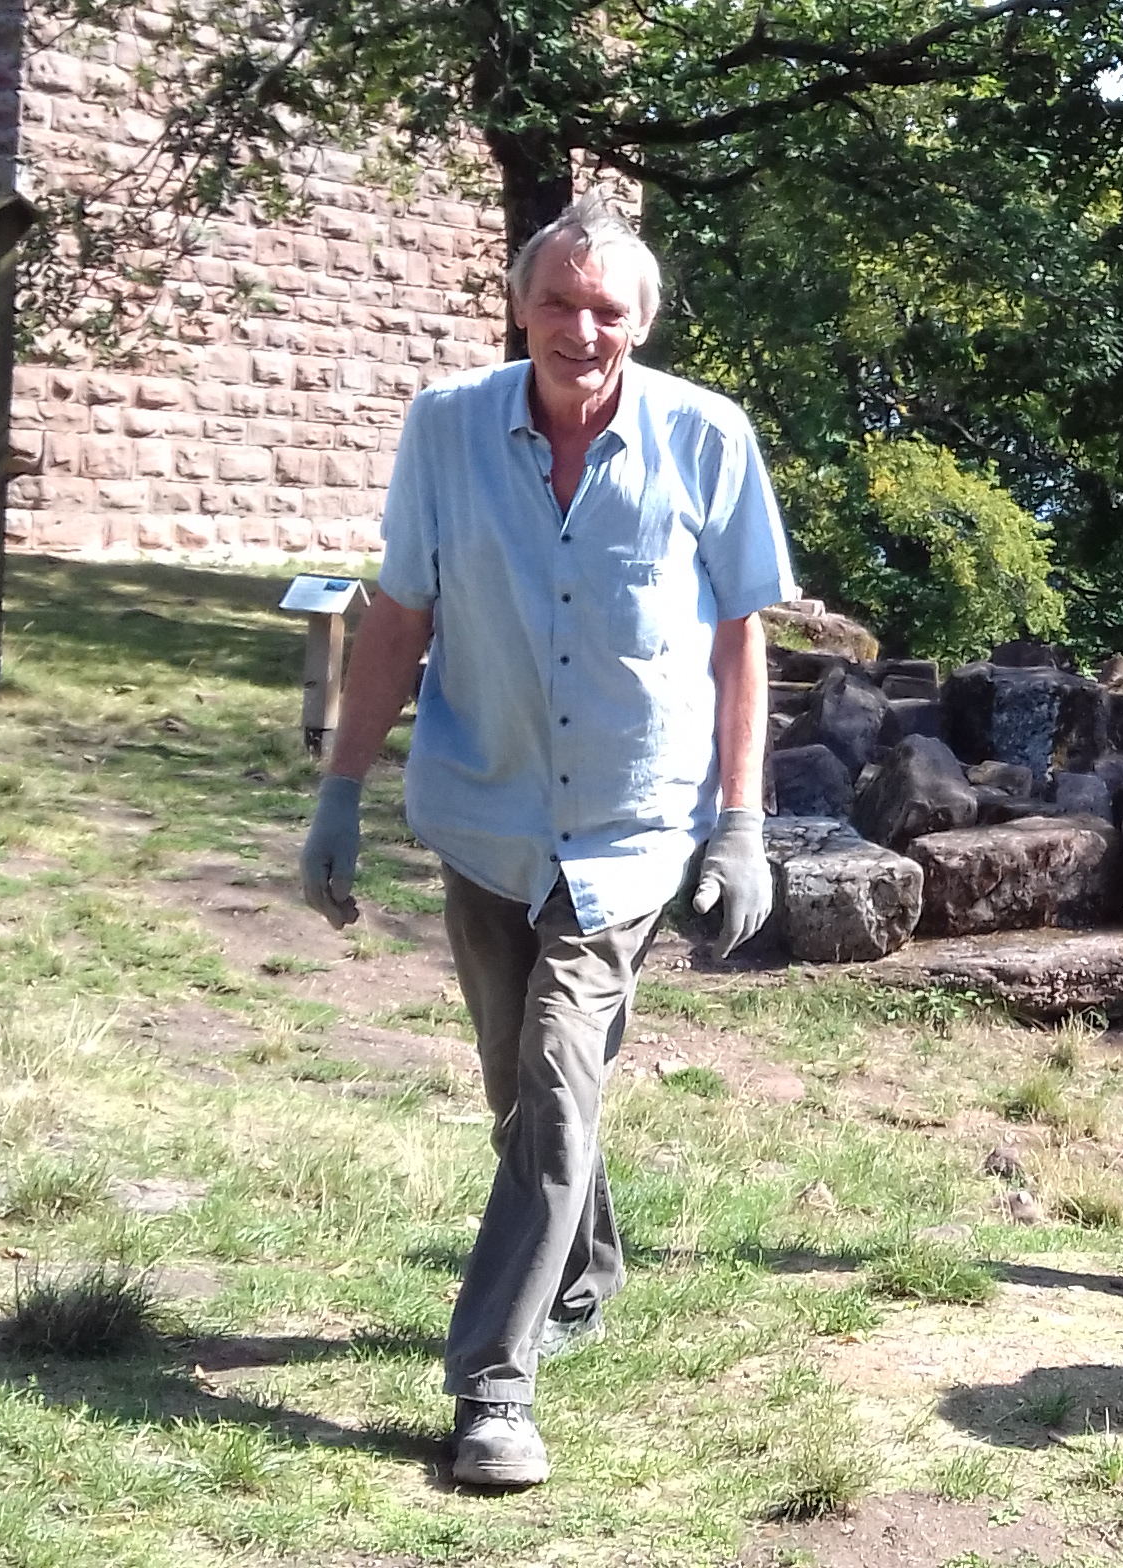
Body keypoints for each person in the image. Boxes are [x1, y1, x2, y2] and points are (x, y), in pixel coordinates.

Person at [297, 194, 795, 1489]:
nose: (584, 329)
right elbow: (401, 613)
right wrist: (341, 790)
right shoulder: (445, 428)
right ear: (519, 307)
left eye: (608, 309)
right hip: (486, 808)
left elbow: (740, 639)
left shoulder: (707, 437)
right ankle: (586, 1266)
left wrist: (742, 824)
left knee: (560, 1074)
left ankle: (492, 1386)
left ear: (642, 323)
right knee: (519, 1090)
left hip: (632, 829)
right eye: (560, 303)